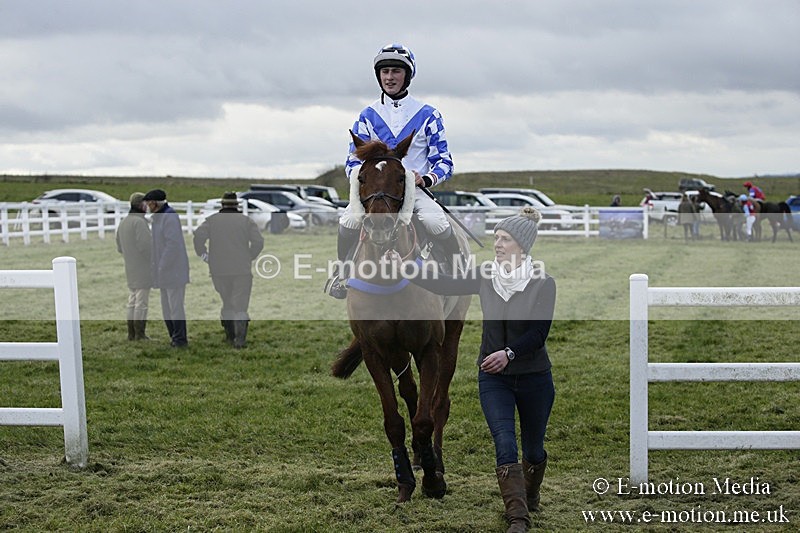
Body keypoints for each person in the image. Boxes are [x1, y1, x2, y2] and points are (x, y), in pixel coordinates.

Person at [389, 207, 555, 532]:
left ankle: (530, 494)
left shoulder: (543, 283)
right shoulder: (486, 275)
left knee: (534, 449)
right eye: (496, 238)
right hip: (494, 379)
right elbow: (444, 284)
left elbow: (539, 334)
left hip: (535, 378)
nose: (497, 244)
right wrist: (407, 268)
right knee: (505, 441)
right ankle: (518, 517)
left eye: (504, 239)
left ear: (521, 245)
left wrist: (509, 353)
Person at [326, 43, 458, 298]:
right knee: (349, 220)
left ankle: (454, 272)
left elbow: (444, 161)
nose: (389, 77)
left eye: (396, 71)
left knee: (435, 220)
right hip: (377, 192)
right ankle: (341, 275)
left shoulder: (429, 115)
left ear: (407, 75)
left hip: (413, 189)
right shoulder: (367, 115)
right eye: (385, 71)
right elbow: (352, 161)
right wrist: (365, 180)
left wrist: (427, 178)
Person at [193, 192, 264, 348]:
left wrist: (205, 256)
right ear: (236, 205)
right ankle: (240, 340)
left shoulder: (211, 221)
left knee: (227, 302)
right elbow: (258, 242)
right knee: (240, 305)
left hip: (218, 270)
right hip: (241, 270)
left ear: (222, 204)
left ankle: (229, 336)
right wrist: (249, 257)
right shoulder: (246, 221)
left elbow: (198, 236)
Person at [144, 188, 190, 348]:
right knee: (166, 308)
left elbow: (173, 244)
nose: (147, 205)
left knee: (175, 307)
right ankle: (174, 337)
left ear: (155, 203)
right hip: (163, 271)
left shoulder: (169, 217)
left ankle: (180, 339)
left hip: (173, 271)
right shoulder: (158, 218)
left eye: (149, 202)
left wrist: (162, 265)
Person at [115, 192, 152, 340]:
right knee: (141, 302)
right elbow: (146, 246)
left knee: (132, 299)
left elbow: (119, 247)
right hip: (142, 267)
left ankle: (131, 333)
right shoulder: (139, 222)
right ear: (140, 205)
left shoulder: (124, 222)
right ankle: (140, 334)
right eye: (145, 204)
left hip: (129, 266)